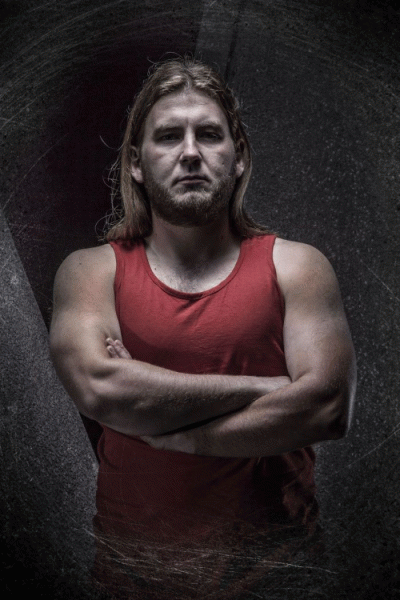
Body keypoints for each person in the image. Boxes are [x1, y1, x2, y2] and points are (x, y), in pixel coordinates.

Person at [49, 57, 356, 599]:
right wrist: (268, 389)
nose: (190, 152)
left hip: (278, 582)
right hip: (132, 585)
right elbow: (102, 389)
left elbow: (327, 409)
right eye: (169, 136)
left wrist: (173, 432)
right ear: (136, 162)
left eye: (209, 135)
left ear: (238, 157)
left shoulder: (297, 268)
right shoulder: (91, 273)